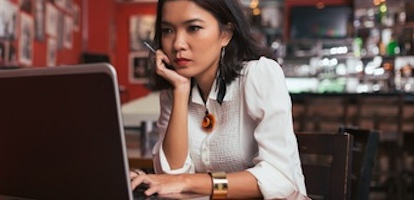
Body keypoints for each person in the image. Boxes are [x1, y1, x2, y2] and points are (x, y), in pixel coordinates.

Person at [129, 0, 309, 199]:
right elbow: (172, 179)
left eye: (193, 28)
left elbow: (279, 180)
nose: (178, 44)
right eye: (167, 30)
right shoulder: (172, 93)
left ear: (226, 34)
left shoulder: (259, 75)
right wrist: (180, 90)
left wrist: (189, 182)